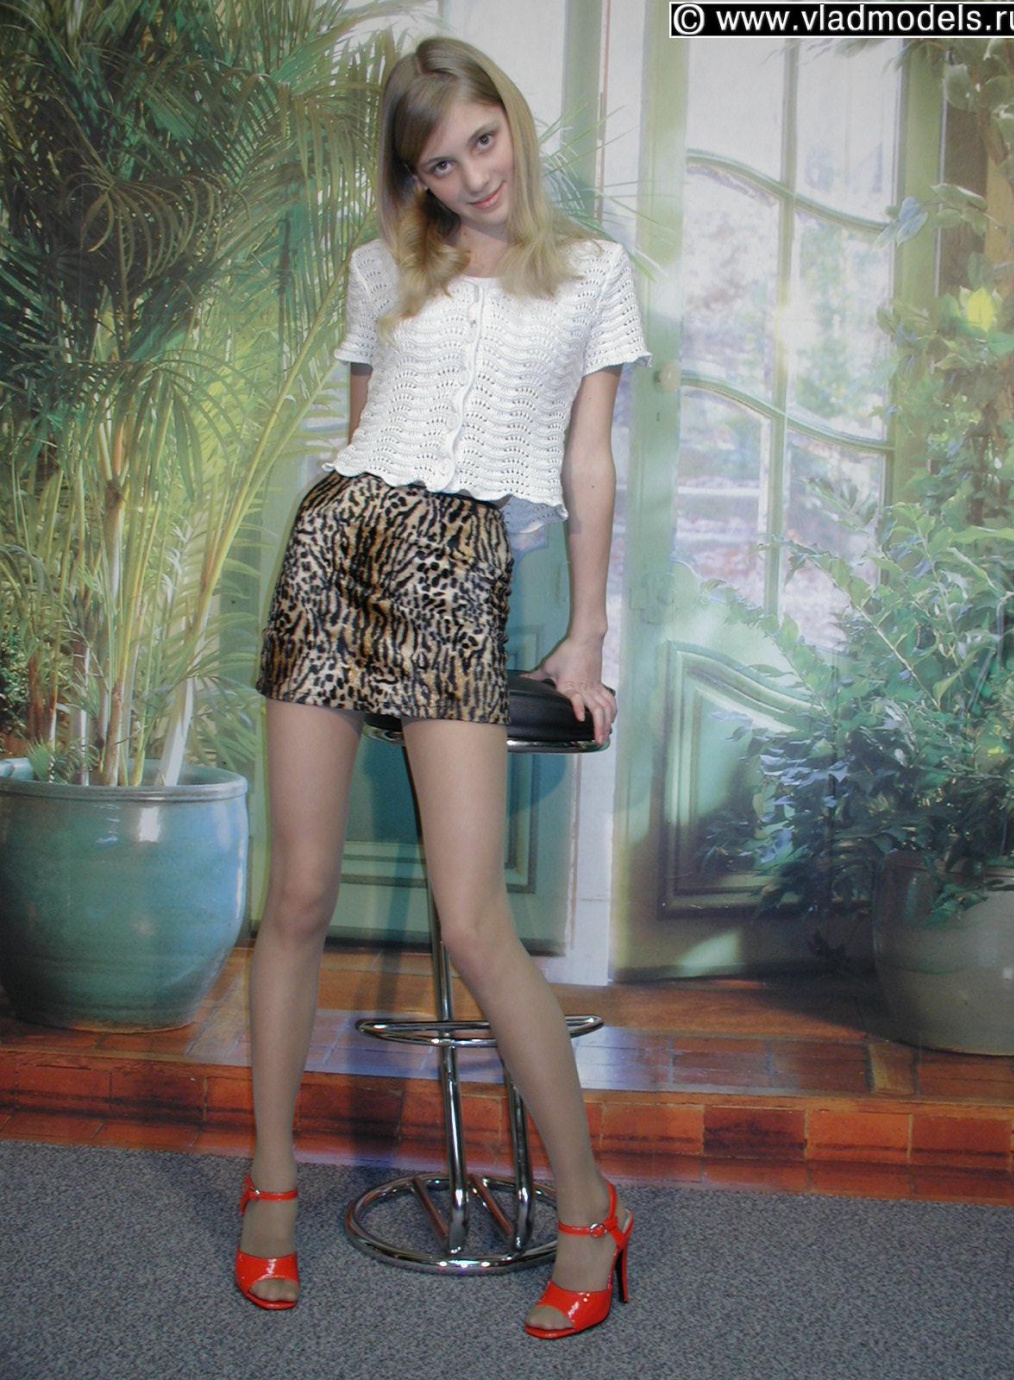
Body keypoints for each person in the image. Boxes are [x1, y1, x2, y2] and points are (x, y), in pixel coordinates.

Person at [235, 36, 650, 1339]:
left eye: (483, 138)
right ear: (412, 178)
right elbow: (366, 431)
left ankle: (589, 1206)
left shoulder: (592, 273)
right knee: (298, 896)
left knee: (473, 922)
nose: (472, 175)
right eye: (439, 162)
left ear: (510, 121)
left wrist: (586, 636)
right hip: (333, 553)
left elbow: (590, 464)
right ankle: (271, 1183)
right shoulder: (385, 271)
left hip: (458, 569)